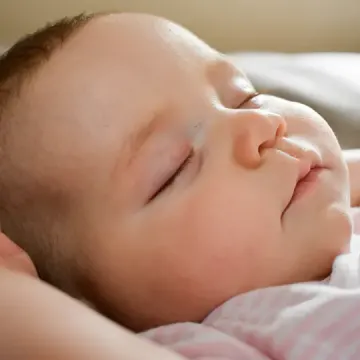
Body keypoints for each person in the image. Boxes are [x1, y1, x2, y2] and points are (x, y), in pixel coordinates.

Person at [0, 11, 359, 359]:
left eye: (244, 96)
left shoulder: (320, 208)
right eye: (175, 166)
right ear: (80, 310)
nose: (261, 123)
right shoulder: (219, 340)